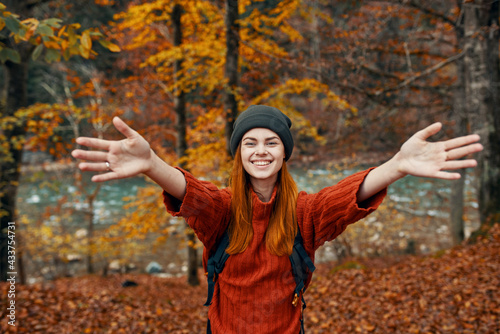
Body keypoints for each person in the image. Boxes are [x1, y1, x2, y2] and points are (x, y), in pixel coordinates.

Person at [71, 105, 482, 334]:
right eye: (249, 142)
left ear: (284, 152)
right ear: (239, 153)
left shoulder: (305, 213)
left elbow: (345, 198)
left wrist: (397, 165)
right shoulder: (223, 210)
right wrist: (151, 164)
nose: (260, 150)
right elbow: (190, 193)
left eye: (271, 142)